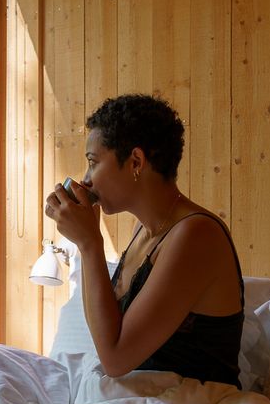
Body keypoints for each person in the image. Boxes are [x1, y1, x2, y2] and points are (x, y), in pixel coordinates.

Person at [43, 94, 243, 387]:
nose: (86, 179)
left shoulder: (197, 234)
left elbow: (115, 360)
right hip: (142, 398)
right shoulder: (144, 230)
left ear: (136, 161)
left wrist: (89, 244)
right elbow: (107, 335)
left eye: (93, 162)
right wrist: (87, 241)